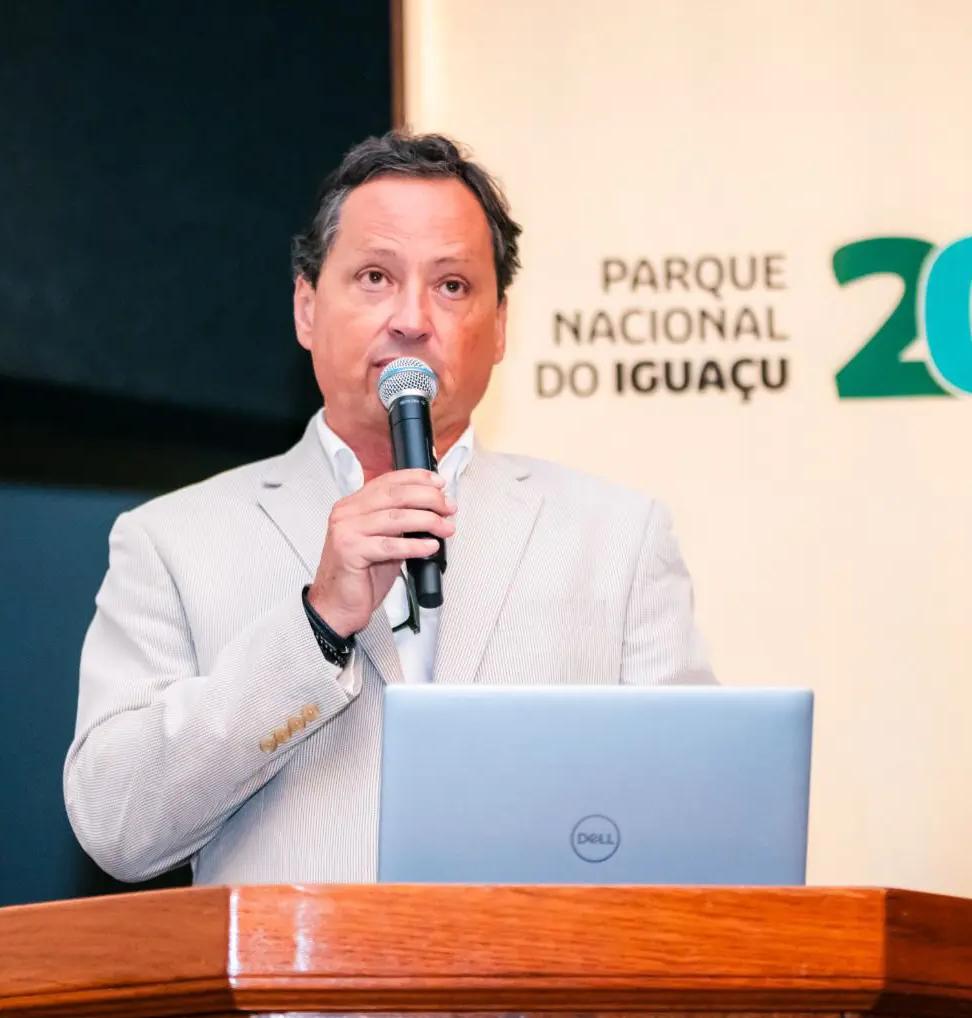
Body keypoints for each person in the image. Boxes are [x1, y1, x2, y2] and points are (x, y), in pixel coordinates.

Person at [64, 131, 714, 886]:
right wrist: (315, 626)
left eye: (452, 286)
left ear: (501, 326)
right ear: (307, 309)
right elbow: (115, 823)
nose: (411, 318)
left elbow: (695, 820)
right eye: (375, 276)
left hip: (538, 998)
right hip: (300, 999)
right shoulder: (172, 542)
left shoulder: (619, 538)